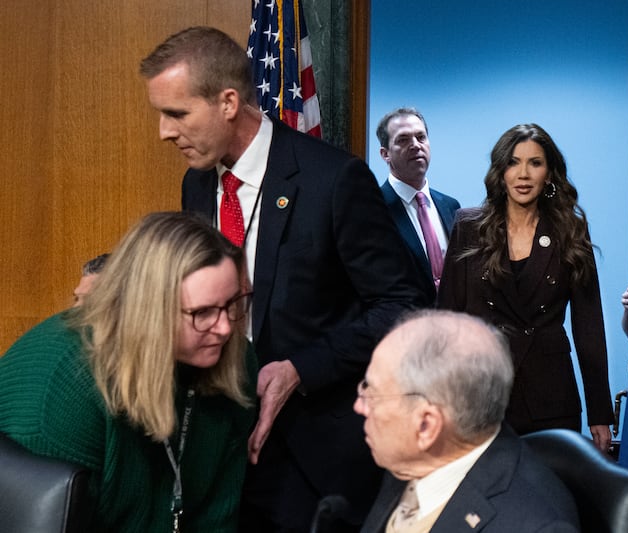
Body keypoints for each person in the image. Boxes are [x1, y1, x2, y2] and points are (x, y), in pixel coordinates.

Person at [140, 27, 427, 532]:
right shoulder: (197, 183)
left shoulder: (334, 179)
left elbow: (404, 307)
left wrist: (301, 368)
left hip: (313, 459)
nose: (164, 131)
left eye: (177, 114)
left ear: (229, 102)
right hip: (222, 447)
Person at [0, 211, 257, 532]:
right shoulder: (67, 385)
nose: (224, 328)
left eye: (232, 304)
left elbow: (218, 517)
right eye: (202, 312)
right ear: (147, 309)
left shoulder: (234, 360)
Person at [437, 123, 614, 453]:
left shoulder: (570, 231)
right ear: (501, 171)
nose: (523, 174)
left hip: (550, 397)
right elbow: (447, 321)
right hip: (482, 394)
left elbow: (589, 325)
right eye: (513, 162)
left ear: (549, 174)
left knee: (551, 486)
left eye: (535, 163)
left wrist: (600, 412)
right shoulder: (469, 226)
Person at [356, 309, 580, 532]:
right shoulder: (408, 460)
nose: (359, 406)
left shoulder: (534, 526)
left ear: (426, 426)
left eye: (371, 394)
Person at [376, 108, 460, 302]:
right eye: (403, 139)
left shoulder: (451, 206)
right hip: (403, 318)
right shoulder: (373, 209)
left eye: (421, 137)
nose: (415, 145)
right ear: (385, 154)